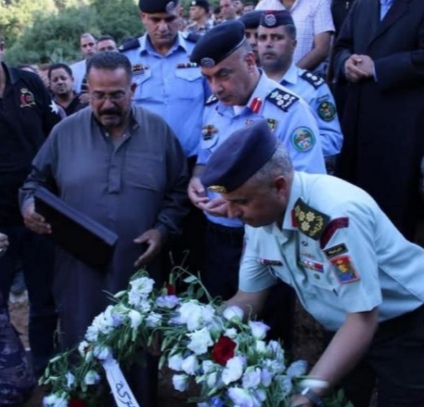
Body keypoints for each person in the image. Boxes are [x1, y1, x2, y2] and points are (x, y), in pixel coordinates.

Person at [201, 119, 424, 407]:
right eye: (228, 201)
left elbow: (363, 318)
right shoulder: (260, 216)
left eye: (240, 202)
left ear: (279, 186)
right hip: (343, 326)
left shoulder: (332, 219)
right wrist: (195, 328)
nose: (231, 213)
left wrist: (307, 395)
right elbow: (248, 298)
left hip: (403, 324)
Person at [20, 52, 189, 407]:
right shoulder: (65, 132)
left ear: (133, 90)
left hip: (139, 272)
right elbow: (34, 183)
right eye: (98, 95)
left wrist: (162, 229)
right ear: (87, 90)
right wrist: (29, 207)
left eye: (116, 95)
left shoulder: (158, 131)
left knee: (137, 355)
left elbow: (179, 190)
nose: (107, 104)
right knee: (83, 354)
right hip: (78, 272)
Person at [188, 20, 325, 305]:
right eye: (208, 78)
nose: (216, 87)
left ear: (250, 61)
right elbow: (205, 159)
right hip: (218, 235)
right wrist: (197, 178)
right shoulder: (214, 107)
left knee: (267, 323)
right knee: (218, 314)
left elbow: (308, 188)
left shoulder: (290, 111)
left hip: (270, 237)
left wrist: (241, 204)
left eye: (223, 75)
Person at [121, 0, 208, 273]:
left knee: (196, 248)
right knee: (149, 244)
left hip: (195, 166)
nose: (162, 27)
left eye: (169, 19)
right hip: (146, 167)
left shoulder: (200, 50)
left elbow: (215, 108)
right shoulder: (127, 58)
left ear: (179, 14)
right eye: (155, 19)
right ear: (143, 17)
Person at [332, 0, 424, 241]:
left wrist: (379, 69)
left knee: (394, 211)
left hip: (402, 126)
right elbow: (341, 46)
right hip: (358, 120)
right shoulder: (363, 4)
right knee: (355, 205)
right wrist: (345, 63)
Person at [0, 32, 61, 377]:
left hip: (39, 210)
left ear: (2, 46)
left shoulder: (29, 84)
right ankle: (8, 374)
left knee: (44, 298)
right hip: (0, 223)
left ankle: (45, 367)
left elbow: (57, 133)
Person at [258, 10, 343, 162]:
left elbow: (332, 140)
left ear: (293, 44)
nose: (268, 44)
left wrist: (288, 149)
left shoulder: (313, 89)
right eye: (263, 38)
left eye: (277, 37)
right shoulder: (248, 86)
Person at [255, 0, 335, 72]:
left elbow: (322, 48)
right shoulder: (264, 5)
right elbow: (253, 42)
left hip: (306, 79)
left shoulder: (318, 2)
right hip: (266, 79)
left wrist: (292, 75)